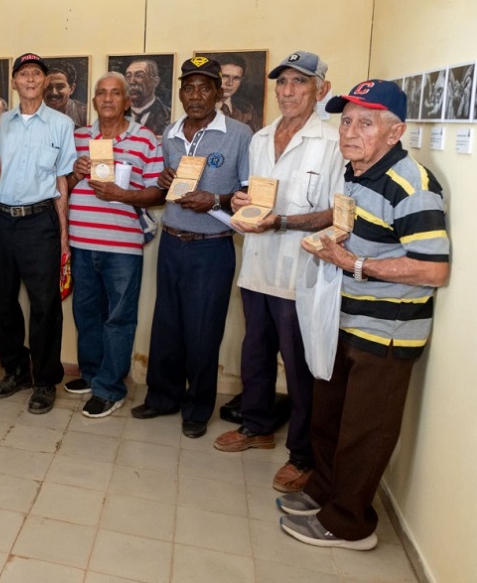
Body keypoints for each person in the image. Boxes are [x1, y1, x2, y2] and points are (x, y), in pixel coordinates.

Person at [279, 80, 450, 550]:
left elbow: (433, 269)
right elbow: (354, 228)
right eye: (347, 121)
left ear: (395, 133)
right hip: (345, 318)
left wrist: (354, 264)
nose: (350, 132)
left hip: (387, 332)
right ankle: (323, 493)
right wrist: (330, 244)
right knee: (328, 417)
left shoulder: (411, 185)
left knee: (363, 432)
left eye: (365, 123)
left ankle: (349, 524)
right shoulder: (356, 172)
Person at [212, 51, 343, 493]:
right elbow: (255, 196)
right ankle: (257, 426)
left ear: (321, 90)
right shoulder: (261, 138)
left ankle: (303, 455)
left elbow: (337, 213)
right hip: (257, 265)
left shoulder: (332, 142)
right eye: (282, 83)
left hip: (300, 271)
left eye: (299, 83)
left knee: (300, 366)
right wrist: (240, 201)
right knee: (256, 352)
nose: (288, 91)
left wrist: (282, 222)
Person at [131, 57, 252, 438]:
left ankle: (197, 408)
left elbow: (250, 194)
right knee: (166, 324)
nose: (196, 96)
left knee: (203, 330)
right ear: (181, 93)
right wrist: (165, 179)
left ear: (218, 92)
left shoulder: (239, 134)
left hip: (211, 247)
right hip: (171, 240)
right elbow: (165, 187)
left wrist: (214, 199)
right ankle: (162, 397)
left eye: (204, 88)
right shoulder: (170, 133)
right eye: (189, 88)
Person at [0, 53, 77, 415]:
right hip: (1, 220)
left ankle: (45, 380)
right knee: (2, 300)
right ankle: (17, 370)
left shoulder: (61, 124)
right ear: (15, 82)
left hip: (40, 222)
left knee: (45, 304)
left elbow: (62, 182)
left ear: (45, 80)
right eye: (24, 74)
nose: (31, 79)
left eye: (37, 73)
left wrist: (64, 236)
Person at [65, 72, 162, 417]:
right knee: (86, 314)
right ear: (93, 101)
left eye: (115, 93)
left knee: (118, 318)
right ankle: (92, 374)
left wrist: (123, 195)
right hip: (81, 243)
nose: (107, 99)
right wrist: (76, 173)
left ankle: (110, 388)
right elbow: (62, 186)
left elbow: (157, 193)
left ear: (127, 101)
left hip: (122, 247)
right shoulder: (78, 137)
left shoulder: (145, 139)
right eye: (101, 93)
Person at [125, 59, 171, 137]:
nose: (131, 81)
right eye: (128, 76)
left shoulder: (168, 116)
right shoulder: (117, 115)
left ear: (155, 81)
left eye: (139, 76)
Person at [218, 53, 263, 133]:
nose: (230, 83)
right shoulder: (201, 108)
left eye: (236, 78)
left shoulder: (247, 110)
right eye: (224, 76)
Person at [45, 62, 88, 127]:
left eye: (60, 87)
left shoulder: (86, 114)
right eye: (48, 87)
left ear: (72, 89)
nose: (54, 92)